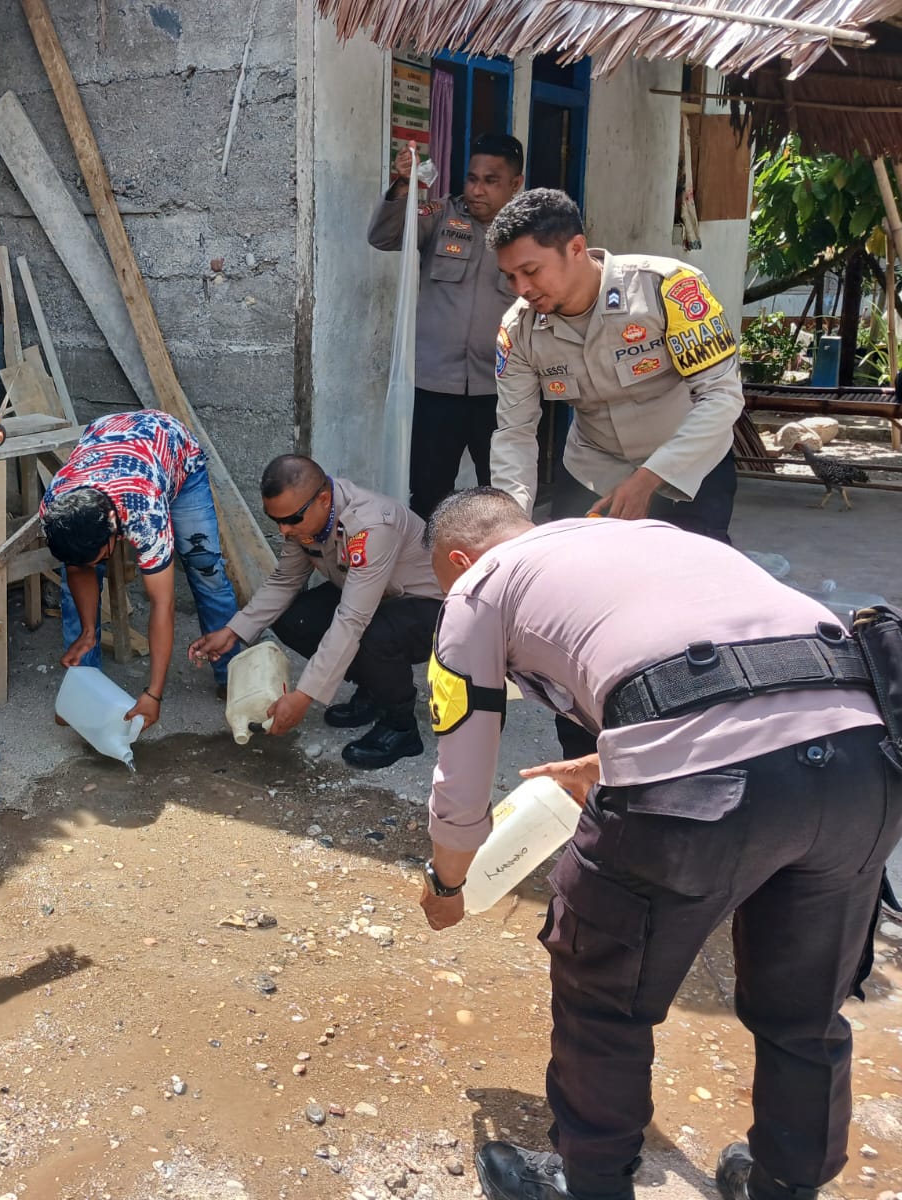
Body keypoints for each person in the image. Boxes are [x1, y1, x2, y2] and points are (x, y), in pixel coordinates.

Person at [413, 487, 900, 1200]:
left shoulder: (477, 588)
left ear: (459, 560)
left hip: (702, 796)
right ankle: (782, 1186)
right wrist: (603, 762)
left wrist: (448, 881)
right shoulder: (651, 537)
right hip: (867, 766)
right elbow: (741, 675)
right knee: (804, 1010)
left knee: (602, 991)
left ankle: (589, 1184)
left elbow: (462, 768)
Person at [489, 187, 744, 540]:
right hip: (593, 471)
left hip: (689, 466)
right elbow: (514, 432)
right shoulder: (519, 330)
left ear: (576, 248)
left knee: (688, 569)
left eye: (531, 271)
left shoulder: (667, 289)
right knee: (571, 567)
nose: (521, 288)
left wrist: (648, 479)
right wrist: (511, 523)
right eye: (510, 276)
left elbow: (721, 396)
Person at [187, 454, 442, 769]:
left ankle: (401, 726)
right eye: (275, 520)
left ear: (323, 499)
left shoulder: (372, 526)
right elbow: (285, 581)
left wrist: (303, 697)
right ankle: (375, 691)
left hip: (431, 608)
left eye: (291, 519)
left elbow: (352, 619)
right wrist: (232, 631)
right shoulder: (306, 519)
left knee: (373, 634)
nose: (284, 530)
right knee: (295, 619)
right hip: (375, 599)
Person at [41, 410, 239, 728]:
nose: (91, 566)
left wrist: (153, 694)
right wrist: (88, 631)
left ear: (113, 527)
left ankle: (232, 675)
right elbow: (78, 570)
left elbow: (162, 602)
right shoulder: (55, 506)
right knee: (72, 581)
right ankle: (83, 693)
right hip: (109, 439)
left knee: (206, 569)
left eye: (98, 557)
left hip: (173, 450)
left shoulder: (144, 512)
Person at [368, 133, 524, 520]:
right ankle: (427, 558)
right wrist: (403, 186)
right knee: (428, 492)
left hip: (501, 391)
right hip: (436, 388)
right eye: (472, 178)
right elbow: (384, 237)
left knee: (502, 494)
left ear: (515, 184)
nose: (477, 190)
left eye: (491, 181)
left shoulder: (530, 233)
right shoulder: (440, 217)